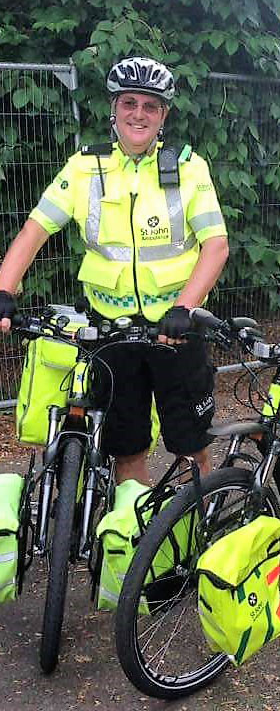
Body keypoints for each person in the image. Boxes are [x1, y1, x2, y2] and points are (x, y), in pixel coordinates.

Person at [0, 56, 229, 487]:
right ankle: (133, 543)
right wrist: (4, 290)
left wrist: (185, 307)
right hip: (112, 332)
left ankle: (194, 531)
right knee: (127, 448)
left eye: (150, 106)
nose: (138, 114)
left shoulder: (188, 168)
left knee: (191, 446)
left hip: (176, 329)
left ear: (164, 115)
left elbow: (216, 245)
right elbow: (35, 229)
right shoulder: (85, 168)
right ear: (114, 108)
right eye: (129, 102)